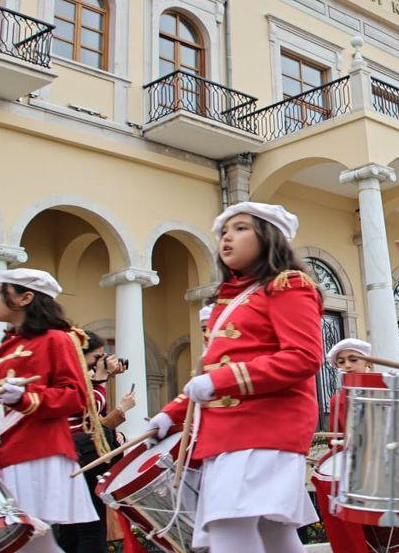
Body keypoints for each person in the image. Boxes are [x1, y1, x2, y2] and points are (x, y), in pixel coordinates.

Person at [148, 202, 322, 552]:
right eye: (224, 231)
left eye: (241, 228)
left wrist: (220, 382)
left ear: (269, 237)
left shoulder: (288, 286)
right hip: (229, 431)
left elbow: (303, 357)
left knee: (228, 524)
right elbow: (209, 371)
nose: (227, 237)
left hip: (266, 425)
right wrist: (171, 413)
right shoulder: (231, 301)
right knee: (273, 532)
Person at [0, 269, 98, 553]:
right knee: (28, 545)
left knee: (26, 541)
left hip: (35, 453)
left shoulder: (57, 339)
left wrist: (24, 398)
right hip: (2, 453)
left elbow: (75, 396)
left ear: (25, 298)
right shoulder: (7, 347)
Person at [53, 331, 138, 553]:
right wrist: (102, 379)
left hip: (72, 458)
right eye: (97, 356)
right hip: (78, 458)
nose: (101, 361)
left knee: (73, 527)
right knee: (90, 526)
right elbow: (87, 410)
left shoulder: (71, 378)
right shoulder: (71, 380)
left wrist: (102, 377)